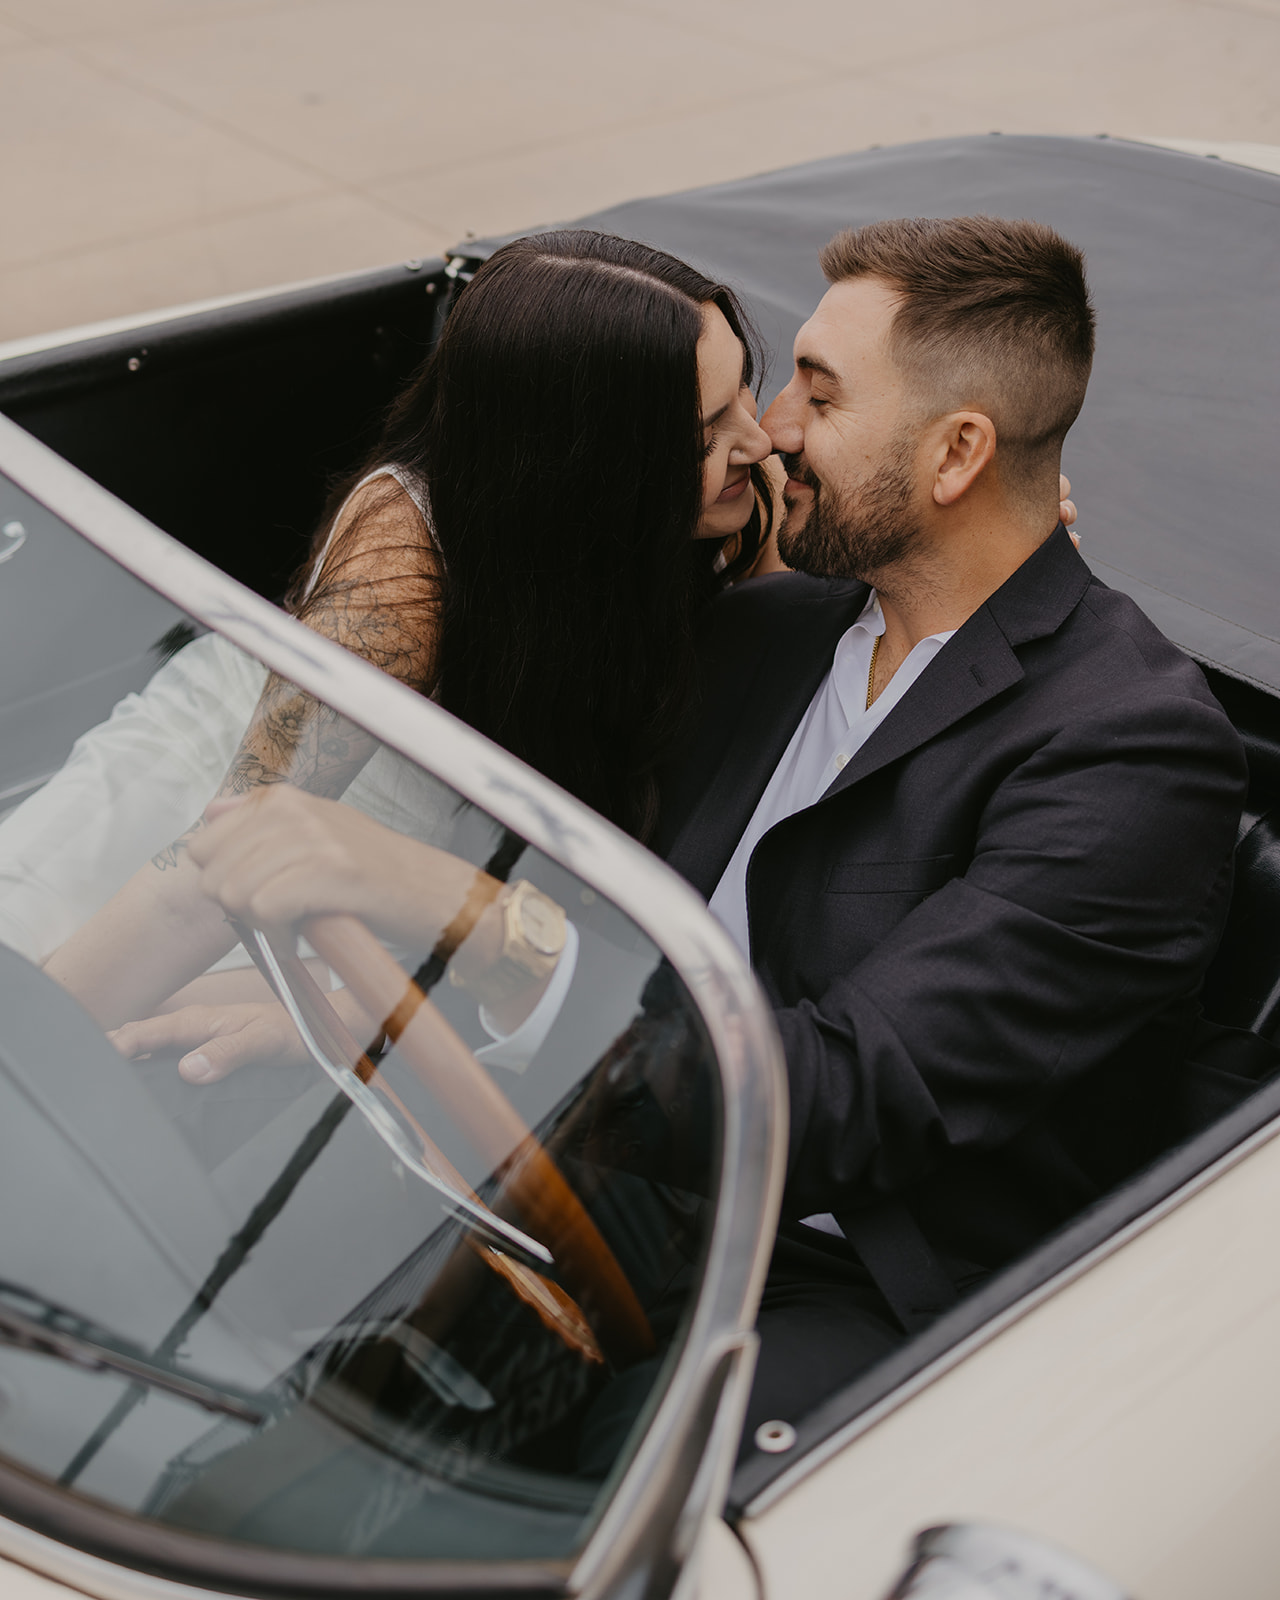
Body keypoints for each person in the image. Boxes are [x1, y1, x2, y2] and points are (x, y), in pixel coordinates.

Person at [148, 215, 1252, 1442]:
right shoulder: (762, 633)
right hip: (593, 1152)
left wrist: (478, 922)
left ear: (954, 457)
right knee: (187, 1296)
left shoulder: (1130, 751)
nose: (773, 427)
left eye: (818, 396)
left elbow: (845, 1099)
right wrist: (392, 1006)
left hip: (846, 1274)